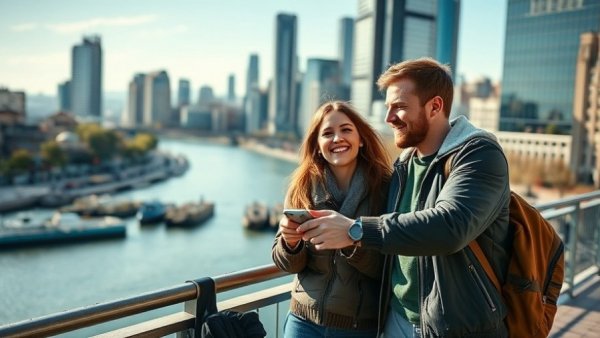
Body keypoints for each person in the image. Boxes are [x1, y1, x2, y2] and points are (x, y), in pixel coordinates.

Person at [296, 58, 512, 337]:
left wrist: (355, 229)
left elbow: (450, 226)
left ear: (435, 106)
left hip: (457, 328)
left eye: (399, 107)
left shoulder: (479, 155)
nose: (389, 118)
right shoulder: (402, 166)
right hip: (395, 320)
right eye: (388, 108)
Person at [272, 101, 392, 338]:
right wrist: (290, 243)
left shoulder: (386, 189)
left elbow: (388, 268)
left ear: (361, 139)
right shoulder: (301, 187)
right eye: (327, 133)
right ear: (317, 146)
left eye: (346, 130)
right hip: (302, 322)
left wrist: (351, 239)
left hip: (358, 328)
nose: (337, 138)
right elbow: (286, 264)